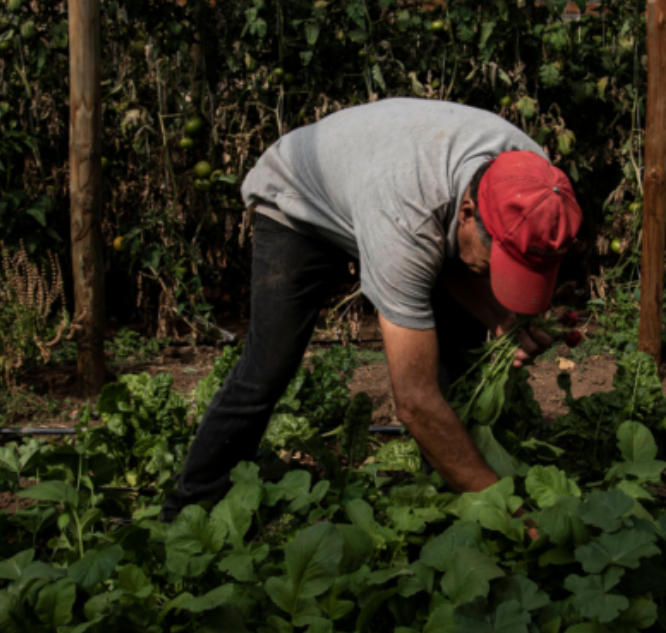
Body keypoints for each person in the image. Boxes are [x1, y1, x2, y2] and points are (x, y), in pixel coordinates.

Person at [162, 98, 583, 520]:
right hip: (301, 197)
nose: (500, 277)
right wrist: (507, 511)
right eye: (501, 261)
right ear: (469, 213)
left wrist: (500, 318)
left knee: (457, 356)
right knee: (268, 365)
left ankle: (441, 501)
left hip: (395, 187)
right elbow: (414, 401)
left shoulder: (537, 186)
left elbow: (456, 250)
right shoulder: (407, 222)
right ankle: (190, 509)